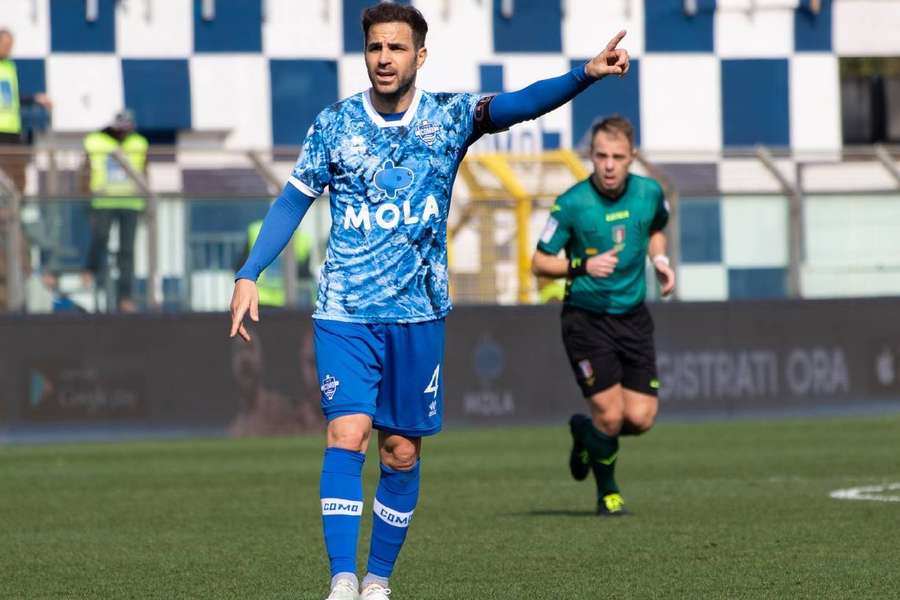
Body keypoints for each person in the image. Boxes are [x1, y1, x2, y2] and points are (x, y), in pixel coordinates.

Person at [229, 4, 630, 598]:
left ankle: (377, 581)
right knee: (347, 435)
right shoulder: (335, 124)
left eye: (396, 48)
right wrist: (248, 272)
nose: (384, 58)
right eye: (374, 48)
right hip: (345, 312)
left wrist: (585, 75)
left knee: (400, 452)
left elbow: (518, 104)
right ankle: (342, 580)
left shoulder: (448, 117)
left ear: (420, 55)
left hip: (418, 315)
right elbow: (294, 200)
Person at [531, 116, 675, 516]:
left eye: (617, 157)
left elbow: (657, 227)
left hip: (633, 317)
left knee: (641, 418)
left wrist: (659, 259)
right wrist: (582, 265)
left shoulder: (649, 192)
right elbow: (539, 262)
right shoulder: (572, 203)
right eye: (601, 156)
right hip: (585, 319)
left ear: (632, 157)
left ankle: (585, 434)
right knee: (611, 416)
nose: (609, 165)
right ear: (591, 156)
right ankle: (607, 493)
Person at [82, 110, 148, 313]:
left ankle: (125, 297)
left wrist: (146, 201)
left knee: (127, 251)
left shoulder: (139, 143)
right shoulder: (96, 141)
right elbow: (86, 170)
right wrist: (86, 199)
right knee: (100, 238)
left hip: (130, 202)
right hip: (103, 201)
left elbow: (145, 171)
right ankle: (90, 270)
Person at [0, 27, 52, 193]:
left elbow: (11, 98)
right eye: (6, 44)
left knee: (17, 177)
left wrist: (35, 98)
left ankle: (15, 212)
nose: (9, 49)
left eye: (11, 45)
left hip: (11, 131)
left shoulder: (9, 66)